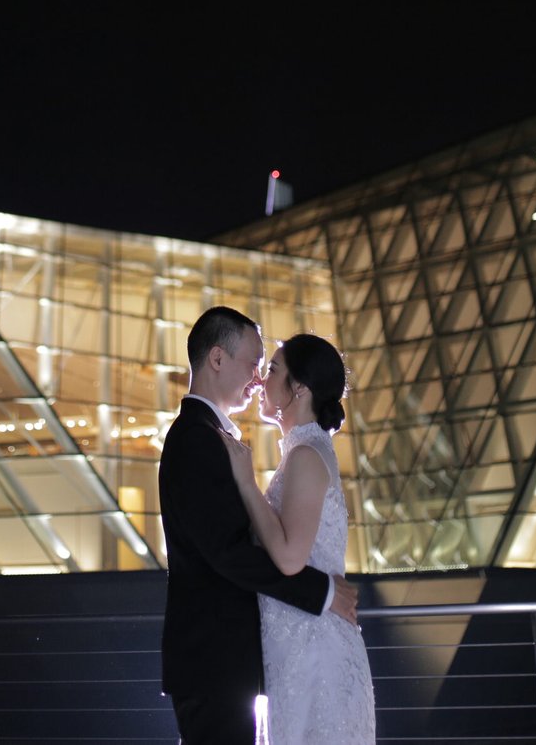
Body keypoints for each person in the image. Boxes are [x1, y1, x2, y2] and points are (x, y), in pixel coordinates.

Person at [159, 306, 359, 744]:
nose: (257, 378)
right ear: (217, 358)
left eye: (266, 368)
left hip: (232, 659)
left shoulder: (213, 437)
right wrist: (322, 591)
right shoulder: (196, 439)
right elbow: (228, 551)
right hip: (214, 657)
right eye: (255, 364)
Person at [220, 332, 377, 745]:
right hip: (302, 647)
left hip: (316, 654)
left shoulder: (306, 455)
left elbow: (290, 557)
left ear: (300, 388)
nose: (261, 380)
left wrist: (246, 485)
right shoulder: (303, 451)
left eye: (273, 370)